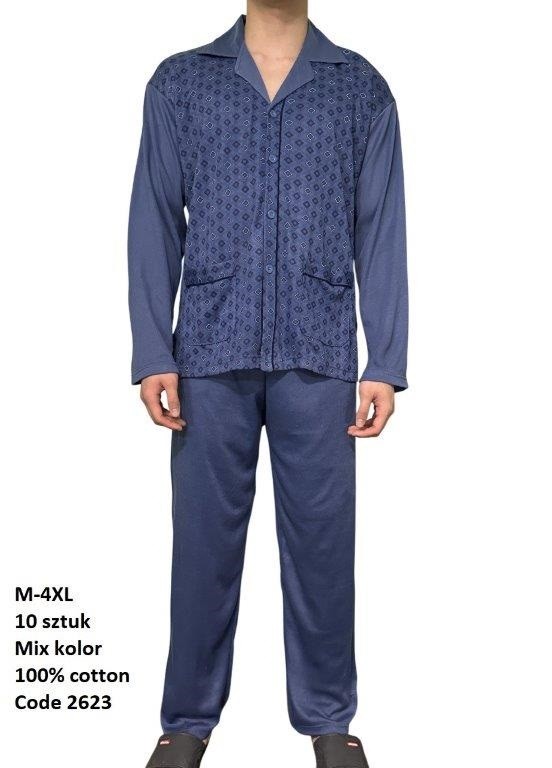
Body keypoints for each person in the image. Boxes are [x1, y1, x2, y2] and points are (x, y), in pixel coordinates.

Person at [128, 0, 408, 765]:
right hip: (208, 350)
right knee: (202, 548)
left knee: (324, 549)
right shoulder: (181, 83)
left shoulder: (361, 89)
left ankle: (330, 722)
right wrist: (153, 350)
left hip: (320, 350)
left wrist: (385, 359)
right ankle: (186, 723)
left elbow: (381, 227)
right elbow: (154, 218)